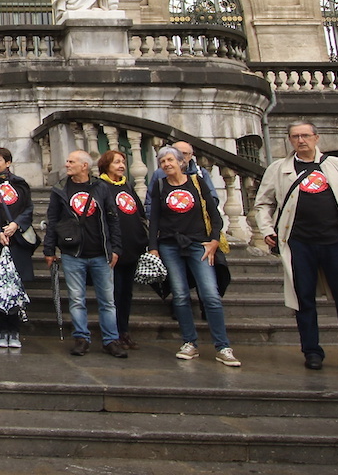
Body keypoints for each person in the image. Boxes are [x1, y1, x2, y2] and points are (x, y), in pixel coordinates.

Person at [254, 121, 338, 375]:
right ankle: (311, 351)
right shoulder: (279, 169)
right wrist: (267, 230)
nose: (301, 140)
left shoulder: (337, 166)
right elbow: (262, 204)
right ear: (289, 140)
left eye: (305, 135)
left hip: (337, 242)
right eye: (295, 136)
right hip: (299, 244)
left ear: (316, 138)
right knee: (303, 299)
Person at [148, 146, 241, 367]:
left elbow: (213, 214)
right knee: (179, 295)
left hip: (199, 244)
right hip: (170, 245)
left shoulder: (197, 183)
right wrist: (153, 247)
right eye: (162, 162)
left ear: (181, 162)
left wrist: (215, 240)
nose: (167, 165)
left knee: (210, 294)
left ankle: (223, 346)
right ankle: (189, 341)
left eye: (170, 160)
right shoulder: (160, 186)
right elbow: (154, 220)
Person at [43, 150, 125, 358]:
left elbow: (112, 218)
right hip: (73, 252)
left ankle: (111, 340)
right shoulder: (60, 189)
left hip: (100, 251)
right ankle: (81, 337)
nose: (67, 164)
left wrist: (116, 247)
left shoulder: (100, 188)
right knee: (76, 298)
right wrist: (49, 249)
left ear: (84, 166)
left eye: (71, 162)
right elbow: (53, 221)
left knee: (107, 300)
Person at [0, 147, 35, 349]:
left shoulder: (20, 184)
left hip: (16, 241)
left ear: (8, 163)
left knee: (15, 287)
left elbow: (28, 208)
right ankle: (1, 329)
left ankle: (15, 330)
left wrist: (16, 224)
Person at [97, 149, 147, 350]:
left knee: (126, 293)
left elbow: (138, 212)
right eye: (116, 162)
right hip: (114, 249)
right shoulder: (101, 186)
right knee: (114, 294)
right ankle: (113, 332)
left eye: (122, 162)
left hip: (132, 247)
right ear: (106, 164)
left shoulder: (126, 185)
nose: (121, 165)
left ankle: (124, 330)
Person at [144, 140, 219, 219]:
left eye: (185, 153)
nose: (181, 157)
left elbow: (213, 200)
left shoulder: (200, 173)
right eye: (178, 153)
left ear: (190, 156)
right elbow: (150, 202)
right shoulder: (159, 174)